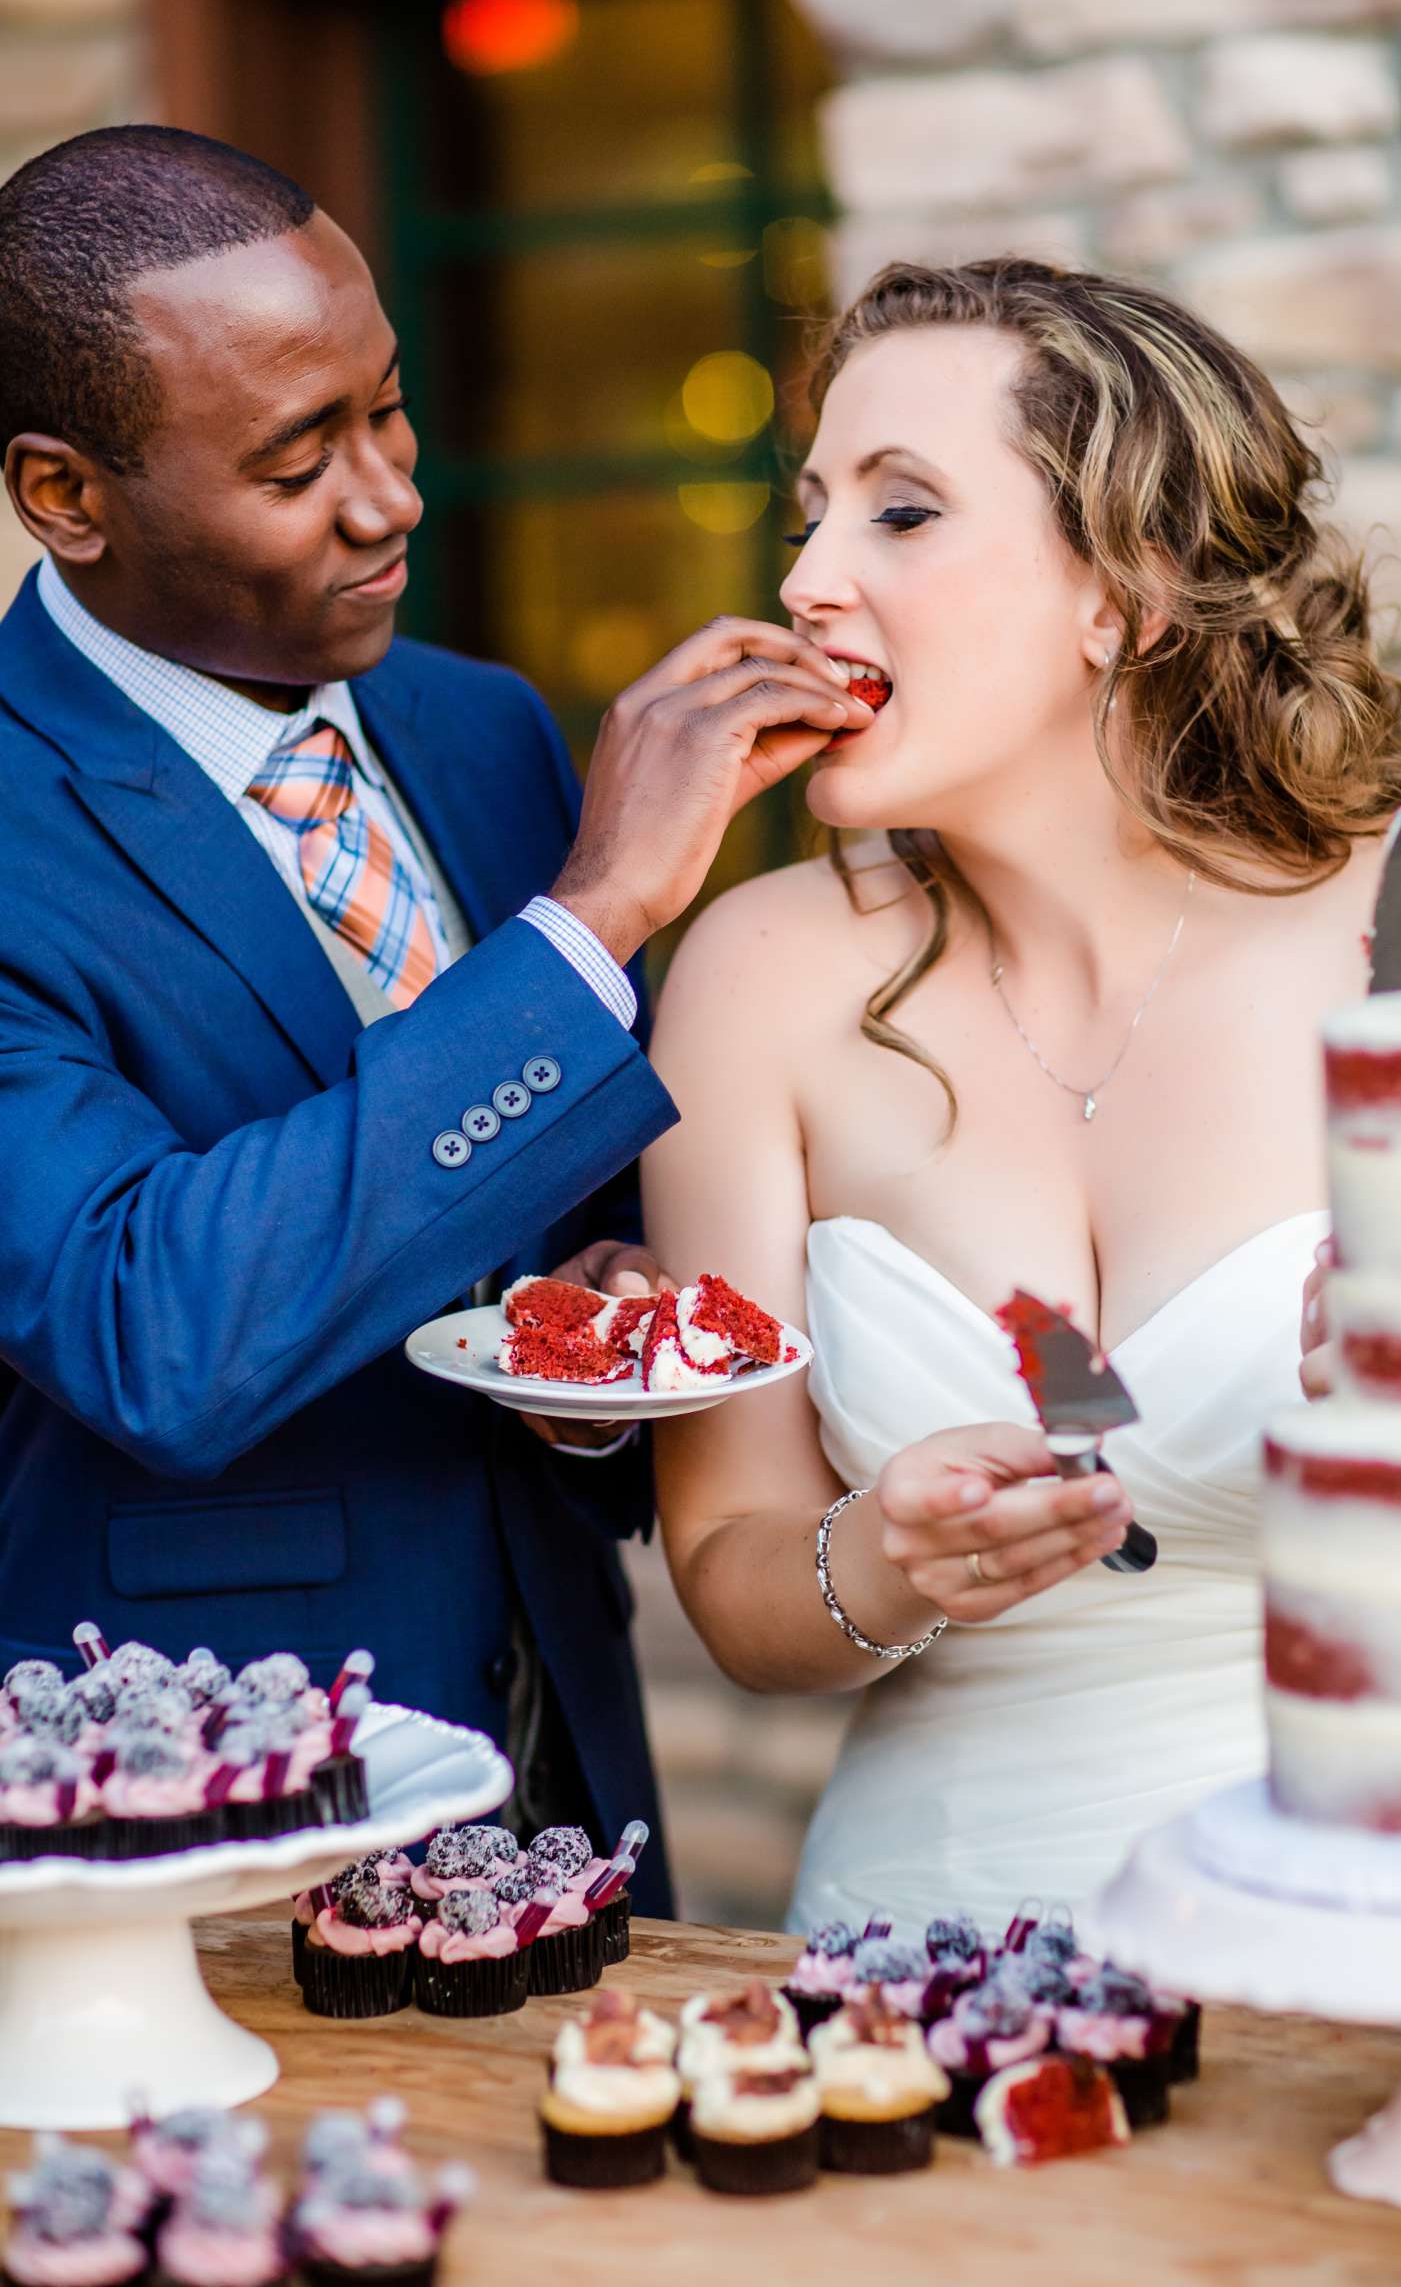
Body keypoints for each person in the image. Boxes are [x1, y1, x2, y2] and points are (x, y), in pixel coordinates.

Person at [642, 258, 1401, 1933]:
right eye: (814, 517)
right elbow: (734, 1563)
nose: (807, 582)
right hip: (927, 1949)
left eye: (903, 515)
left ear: (1131, 595)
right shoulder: (752, 980)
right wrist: (878, 1561)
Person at [0, 125, 868, 1911]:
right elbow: (148, 1324)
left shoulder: (483, 732)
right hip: (209, 1820)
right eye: (297, 459)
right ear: (64, 494)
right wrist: (599, 913)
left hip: (568, 1759)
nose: (391, 496)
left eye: (386, 412)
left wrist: (590, 1353)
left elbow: (528, 1211)